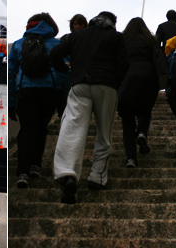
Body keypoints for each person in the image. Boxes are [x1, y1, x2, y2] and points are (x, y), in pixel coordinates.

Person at [50, 11, 129, 204]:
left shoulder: (78, 35)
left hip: (80, 84)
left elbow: (54, 53)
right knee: (104, 132)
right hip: (106, 86)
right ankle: (97, 176)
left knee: (72, 129)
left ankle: (68, 173)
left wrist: (66, 69)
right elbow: (124, 64)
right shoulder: (116, 37)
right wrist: (115, 81)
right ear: (113, 22)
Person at [8, 13, 67, 188]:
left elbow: (11, 74)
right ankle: (36, 165)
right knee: (42, 127)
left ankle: (22, 171)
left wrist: (11, 103)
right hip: (51, 91)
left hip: (26, 91)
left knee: (27, 129)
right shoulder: (57, 45)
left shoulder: (19, 44)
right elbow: (65, 72)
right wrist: (63, 100)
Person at [117, 18, 163, 168]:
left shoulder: (122, 39)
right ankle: (142, 132)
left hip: (126, 79)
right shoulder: (150, 40)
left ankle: (131, 158)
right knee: (145, 111)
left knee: (128, 122)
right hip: (147, 77)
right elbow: (158, 59)